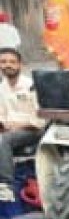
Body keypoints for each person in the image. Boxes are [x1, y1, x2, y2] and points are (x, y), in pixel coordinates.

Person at [0, 47, 43, 203]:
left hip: (32, 131)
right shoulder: (2, 88)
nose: (7, 65)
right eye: (3, 62)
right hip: (10, 131)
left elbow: (39, 120)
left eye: (12, 62)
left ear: (20, 65)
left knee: (3, 140)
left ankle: (6, 186)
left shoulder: (31, 86)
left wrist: (17, 125)